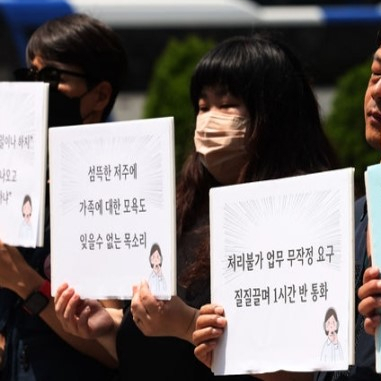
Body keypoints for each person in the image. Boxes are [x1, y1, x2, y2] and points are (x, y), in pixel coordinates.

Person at [193, 2, 381, 381]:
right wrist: (238, 349)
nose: (379, 91)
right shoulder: (345, 214)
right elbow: (323, 366)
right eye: (376, 73)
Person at [54, 34, 339, 381]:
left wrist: (188, 325)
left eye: (227, 104)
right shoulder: (183, 210)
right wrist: (108, 326)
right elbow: (152, 349)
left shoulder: (303, 218)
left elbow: (302, 372)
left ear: (275, 114)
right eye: (203, 107)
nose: (208, 121)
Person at [0, 13, 127, 380]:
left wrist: (25, 283)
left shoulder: (114, 192)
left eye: (51, 79)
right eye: (30, 76)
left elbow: (116, 349)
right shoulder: (22, 183)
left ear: (100, 94)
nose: (37, 91)